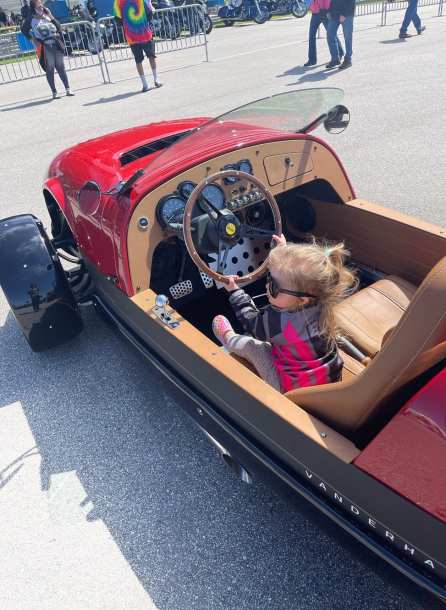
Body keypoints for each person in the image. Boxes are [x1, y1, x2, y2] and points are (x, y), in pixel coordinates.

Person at [212, 235, 357, 393]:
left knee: (255, 348)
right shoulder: (321, 303)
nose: (267, 286)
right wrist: (283, 251)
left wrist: (235, 292)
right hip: (329, 381)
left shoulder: (280, 323)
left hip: (290, 388)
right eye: (269, 278)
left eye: (274, 286)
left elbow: (253, 324)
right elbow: (293, 272)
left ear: (302, 300)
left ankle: (229, 338)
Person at [22, 0, 74, 99]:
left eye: (41, 4)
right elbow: (24, 30)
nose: (41, 6)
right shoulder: (31, 19)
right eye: (38, 5)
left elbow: (58, 27)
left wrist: (51, 15)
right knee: (50, 69)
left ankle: (68, 89)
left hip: (56, 44)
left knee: (61, 67)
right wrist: (32, 39)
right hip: (44, 47)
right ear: (33, 7)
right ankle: (54, 91)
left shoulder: (47, 16)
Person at [114, 0, 162, 92]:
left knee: (138, 60)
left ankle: (145, 84)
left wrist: (128, 24)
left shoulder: (118, 1)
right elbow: (150, 13)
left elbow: (117, 19)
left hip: (131, 36)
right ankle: (156, 80)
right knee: (151, 57)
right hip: (144, 33)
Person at [304, 0, 344, 67]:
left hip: (324, 12)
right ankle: (312, 60)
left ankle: (339, 53)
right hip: (315, 13)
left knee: (331, 34)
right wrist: (310, 6)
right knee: (311, 36)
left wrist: (328, 11)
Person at [326, 0, 356, 70]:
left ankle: (348, 60)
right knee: (330, 35)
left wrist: (344, 14)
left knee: (347, 37)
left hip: (347, 15)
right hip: (334, 14)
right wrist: (329, 11)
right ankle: (335, 59)